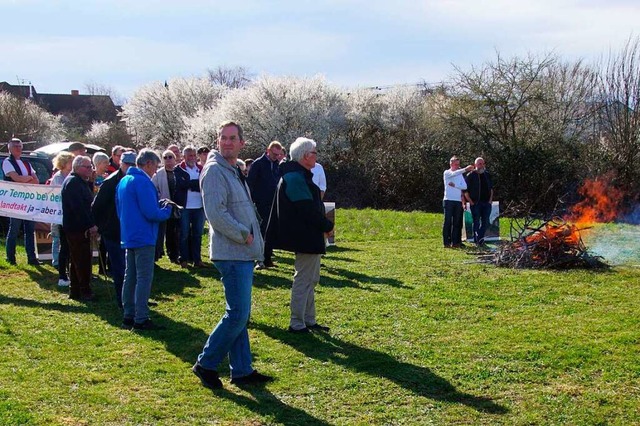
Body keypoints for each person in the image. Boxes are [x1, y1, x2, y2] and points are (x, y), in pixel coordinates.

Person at [193, 120, 273, 389]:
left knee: (240, 313)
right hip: (232, 252)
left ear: (242, 143)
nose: (227, 142)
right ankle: (206, 364)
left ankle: (241, 370)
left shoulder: (232, 170)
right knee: (237, 314)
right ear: (218, 141)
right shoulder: (215, 171)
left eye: (232, 137)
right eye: (223, 137)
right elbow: (216, 214)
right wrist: (244, 234)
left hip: (241, 252)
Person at [266, 137, 334, 333]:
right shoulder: (294, 177)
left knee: (311, 279)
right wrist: (327, 225)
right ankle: (297, 323)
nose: (316, 156)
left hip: (309, 235)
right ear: (305, 156)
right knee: (304, 280)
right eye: (314, 152)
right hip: (305, 236)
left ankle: (309, 320)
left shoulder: (298, 174)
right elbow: (306, 209)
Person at [117, 149, 172, 330]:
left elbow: (120, 209)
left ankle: (128, 315)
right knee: (143, 277)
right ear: (147, 164)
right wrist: (167, 210)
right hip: (144, 236)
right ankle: (141, 318)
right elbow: (151, 213)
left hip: (129, 234)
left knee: (130, 276)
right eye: (155, 167)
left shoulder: (124, 180)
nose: (155, 172)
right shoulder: (143, 182)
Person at [92, 151, 137, 308]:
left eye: (133, 164)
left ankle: (132, 298)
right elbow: (96, 207)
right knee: (120, 269)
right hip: (113, 232)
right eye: (127, 164)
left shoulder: (135, 180)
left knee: (131, 269)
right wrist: (101, 226)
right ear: (120, 163)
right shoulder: (110, 182)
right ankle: (123, 301)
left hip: (129, 231)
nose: (129, 167)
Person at [61, 155, 99, 301]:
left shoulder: (80, 181)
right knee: (82, 260)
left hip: (78, 227)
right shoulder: (73, 182)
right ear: (77, 168)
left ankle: (76, 290)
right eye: (87, 167)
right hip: (77, 228)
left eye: (91, 166)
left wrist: (90, 181)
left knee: (78, 259)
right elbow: (79, 208)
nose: (91, 169)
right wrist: (90, 225)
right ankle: (85, 291)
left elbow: (88, 199)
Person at [247, 141, 284, 269]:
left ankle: (267, 259)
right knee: (261, 231)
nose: (277, 156)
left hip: (274, 202)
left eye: (279, 154)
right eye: (274, 154)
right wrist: (252, 201)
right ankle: (258, 259)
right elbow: (250, 183)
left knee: (271, 231)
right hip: (261, 203)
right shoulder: (258, 164)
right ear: (268, 150)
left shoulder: (277, 164)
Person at [3, 138, 40, 266]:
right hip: (15, 201)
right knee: (14, 230)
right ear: (10, 148)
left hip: (29, 200)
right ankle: (10, 258)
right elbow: (16, 178)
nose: (18, 148)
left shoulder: (26, 162)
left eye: (20, 146)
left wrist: (26, 179)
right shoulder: (7, 162)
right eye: (15, 146)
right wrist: (28, 178)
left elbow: (36, 180)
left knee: (30, 230)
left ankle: (32, 258)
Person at [174, 146, 205, 268]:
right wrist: (194, 184)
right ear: (184, 157)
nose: (192, 158)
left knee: (198, 234)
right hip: (185, 207)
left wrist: (191, 185)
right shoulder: (179, 169)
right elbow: (181, 185)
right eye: (189, 155)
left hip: (199, 206)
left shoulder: (201, 169)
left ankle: (197, 260)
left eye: (193, 155)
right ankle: (184, 259)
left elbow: (204, 184)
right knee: (184, 234)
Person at [49, 151, 75, 286]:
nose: (73, 163)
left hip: (71, 215)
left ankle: (71, 272)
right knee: (64, 245)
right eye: (71, 160)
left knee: (71, 246)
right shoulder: (57, 178)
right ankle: (62, 275)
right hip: (61, 216)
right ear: (64, 163)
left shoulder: (72, 176)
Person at [152, 150, 180, 263]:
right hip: (164, 206)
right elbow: (153, 189)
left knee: (176, 232)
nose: (168, 160)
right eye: (165, 157)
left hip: (177, 206)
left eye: (170, 157)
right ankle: (159, 253)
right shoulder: (158, 174)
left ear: (175, 159)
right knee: (162, 231)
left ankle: (174, 254)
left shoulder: (179, 172)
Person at [443, 156, 474, 248]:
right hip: (448, 200)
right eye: (456, 164)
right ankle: (446, 242)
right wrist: (465, 169)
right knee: (448, 221)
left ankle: (456, 241)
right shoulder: (447, 173)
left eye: (458, 164)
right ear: (451, 164)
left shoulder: (459, 174)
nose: (457, 166)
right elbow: (453, 174)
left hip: (457, 201)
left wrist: (455, 185)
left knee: (457, 222)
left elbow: (464, 187)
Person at [464, 157, 494, 246]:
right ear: (475, 165)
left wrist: (490, 201)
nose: (481, 166)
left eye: (482, 164)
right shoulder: (470, 175)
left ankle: (480, 239)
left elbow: (491, 189)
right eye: (479, 164)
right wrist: (471, 201)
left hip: (486, 203)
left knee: (485, 222)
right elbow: (465, 191)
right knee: (476, 222)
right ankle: (477, 240)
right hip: (475, 203)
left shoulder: (487, 175)